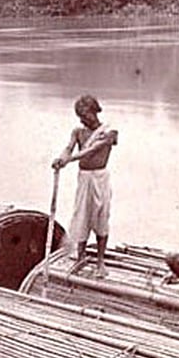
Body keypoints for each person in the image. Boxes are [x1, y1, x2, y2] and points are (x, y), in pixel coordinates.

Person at [52, 94, 118, 278]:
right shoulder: (77, 132)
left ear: (94, 111)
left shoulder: (110, 131)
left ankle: (100, 262)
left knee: (101, 216)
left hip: (100, 178)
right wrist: (61, 157)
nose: (82, 119)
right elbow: (69, 147)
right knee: (81, 215)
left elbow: (93, 149)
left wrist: (70, 160)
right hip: (84, 178)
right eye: (80, 115)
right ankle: (80, 257)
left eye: (85, 114)